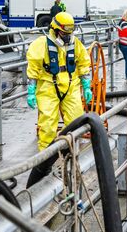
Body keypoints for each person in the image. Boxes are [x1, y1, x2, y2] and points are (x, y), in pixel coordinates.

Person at [25, 12, 93, 150]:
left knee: (76, 122)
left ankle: (71, 154)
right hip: (48, 87)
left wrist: (86, 86)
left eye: (69, 33)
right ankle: (44, 161)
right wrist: (31, 91)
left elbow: (84, 63)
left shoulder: (76, 44)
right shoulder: (40, 45)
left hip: (71, 86)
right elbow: (33, 69)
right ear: (55, 30)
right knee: (48, 126)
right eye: (64, 33)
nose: (67, 37)